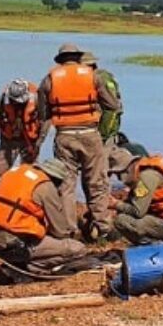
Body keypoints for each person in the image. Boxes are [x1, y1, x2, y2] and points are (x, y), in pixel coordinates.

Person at [36, 42, 123, 238]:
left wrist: (39, 141)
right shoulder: (92, 76)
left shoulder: (50, 78)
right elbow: (112, 105)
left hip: (64, 136)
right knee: (96, 182)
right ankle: (102, 227)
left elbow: (43, 114)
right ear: (78, 57)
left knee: (66, 185)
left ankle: (69, 230)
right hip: (90, 134)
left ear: (60, 60)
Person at [0, 158, 88, 271]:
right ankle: (33, 266)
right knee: (78, 249)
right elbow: (60, 231)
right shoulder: (46, 185)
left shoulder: (15, 173)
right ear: (56, 179)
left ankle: (20, 263)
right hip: (15, 245)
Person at [106, 144, 163, 245]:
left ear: (125, 170)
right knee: (124, 214)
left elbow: (137, 211)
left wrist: (116, 204)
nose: (119, 179)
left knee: (121, 221)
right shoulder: (145, 172)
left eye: (118, 175)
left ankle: (153, 246)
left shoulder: (146, 177)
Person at [0, 78, 42, 176]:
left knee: (30, 173)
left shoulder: (36, 99)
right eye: (14, 101)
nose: (17, 103)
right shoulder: (1, 101)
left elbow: (46, 121)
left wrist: (38, 143)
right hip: (8, 141)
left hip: (29, 142)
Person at [82, 52, 123, 147]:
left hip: (103, 130)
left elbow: (113, 108)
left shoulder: (100, 78)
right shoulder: (100, 77)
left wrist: (103, 135)